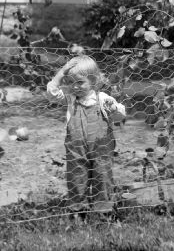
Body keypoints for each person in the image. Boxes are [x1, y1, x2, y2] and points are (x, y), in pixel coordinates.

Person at [47, 55, 126, 213]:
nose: (75, 87)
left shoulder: (103, 98)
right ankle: (78, 212)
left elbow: (121, 116)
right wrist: (63, 71)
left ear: (93, 81)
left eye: (80, 82)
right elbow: (52, 92)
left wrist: (114, 109)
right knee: (77, 178)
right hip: (77, 150)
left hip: (101, 149)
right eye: (70, 82)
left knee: (103, 177)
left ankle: (103, 212)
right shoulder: (70, 100)